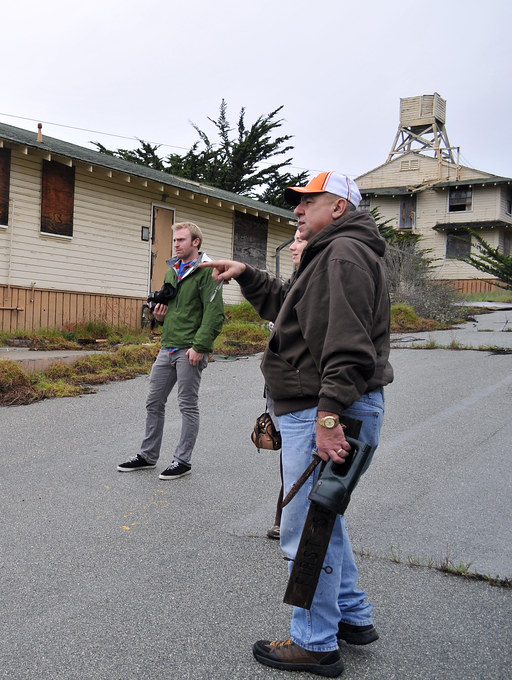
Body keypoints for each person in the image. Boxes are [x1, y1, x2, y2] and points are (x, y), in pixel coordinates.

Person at [203, 171, 393, 677]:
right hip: (324, 408)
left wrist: (330, 416)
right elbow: (288, 307)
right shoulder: (332, 255)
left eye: (309, 201)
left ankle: (314, 642)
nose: (297, 210)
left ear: (339, 208)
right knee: (323, 517)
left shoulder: (344, 256)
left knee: (307, 526)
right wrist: (246, 273)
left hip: (326, 411)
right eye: (298, 202)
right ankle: (352, 616)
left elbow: (348, 345)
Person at [118, 222, 225, 479]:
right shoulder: (172, 271)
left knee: (187, 405)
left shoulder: (207, 272)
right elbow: (169, 313)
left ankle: (182, 460)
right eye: (174, 240)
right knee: (154, 401)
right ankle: (148, 455)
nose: (176, 244)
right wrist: (159, 316)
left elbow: (215, 314)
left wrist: (200, 347)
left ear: (195, 242)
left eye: (181, 240)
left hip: (190, 349)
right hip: (167, 347)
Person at [266, 229, 307, 541]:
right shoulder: (295, 280)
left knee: (297, 454)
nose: (292, 246)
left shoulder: (321, 280)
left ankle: (289, 518)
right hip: (280, 386)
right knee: (288, 452)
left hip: (306, 390)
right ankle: (286, 515)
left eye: (299, 240)